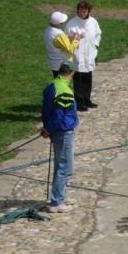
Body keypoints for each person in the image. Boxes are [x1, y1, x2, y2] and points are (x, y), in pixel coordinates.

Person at [41, 60, 78, 213]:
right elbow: (58, 117)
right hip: (63, 132)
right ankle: (56, 203)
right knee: (66, 168)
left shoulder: (52, 86)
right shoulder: (65, 91)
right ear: (72, 73)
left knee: (59, 165)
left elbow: (45, 110)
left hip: (56, 131)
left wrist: (46, 127)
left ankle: (60, 195)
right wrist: (48, 130)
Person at [65, 0, 102, 111]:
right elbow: (66, 37)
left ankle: (87, 100)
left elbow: (97, 34)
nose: (82, 13)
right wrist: (73, 38)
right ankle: (79, 102)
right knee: (78, 79)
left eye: (84, 11)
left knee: (87, 78)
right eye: (80, 11)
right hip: (77, 54)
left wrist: (95, 45)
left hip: (89, 53)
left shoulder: (93, 22)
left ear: (88, 11)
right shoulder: (72, 23)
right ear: (77, 11)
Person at [44, 11, 83, 77]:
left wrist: (69, 38)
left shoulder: (48, 30)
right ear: (57, 24)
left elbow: (59, 43)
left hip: (53, 62)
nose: (63, 24)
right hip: (61, 64)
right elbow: (70, 50)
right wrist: (77, 39)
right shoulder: (59, 34)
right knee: (62, 83)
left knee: (57, 82)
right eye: (61, 23)